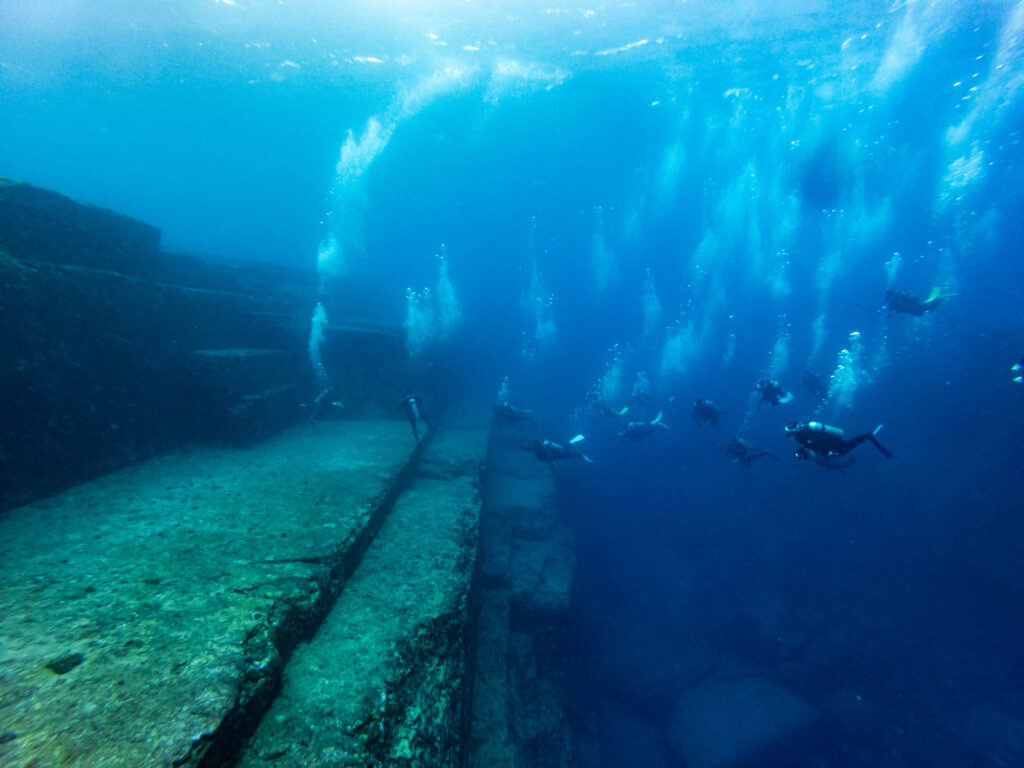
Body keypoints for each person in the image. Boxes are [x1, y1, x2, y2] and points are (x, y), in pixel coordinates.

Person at [784, 420, 892, 459]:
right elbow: (813, 443)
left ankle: (886, 452)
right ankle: (883, 450)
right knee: (868, 435)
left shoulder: (799, 438)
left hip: (836, 451)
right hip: (839, 443)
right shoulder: (807, 426)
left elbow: (812, 445)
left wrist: (802, 452)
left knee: (867, 436)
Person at [522, 435, 592, 464]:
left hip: (556, 453)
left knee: (565, 452)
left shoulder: (541, 447)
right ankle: (580, 454)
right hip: (556, 455)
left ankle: (572, 443)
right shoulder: (539, 453)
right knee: (567, 454)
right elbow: (547, 459)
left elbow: (547, 447)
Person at [885, 287, 953, 317]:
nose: (890, 299)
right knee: (923, 312)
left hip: (915, 307)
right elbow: (897, 310)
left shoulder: (900, 296)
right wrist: (890, 313)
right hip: (913, 309)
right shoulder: (893, 302)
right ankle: (935, 298)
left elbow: (902, 307)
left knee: (929, 309)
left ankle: (938, 298)